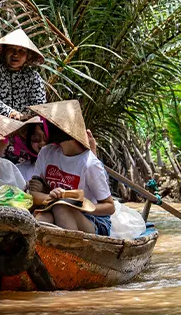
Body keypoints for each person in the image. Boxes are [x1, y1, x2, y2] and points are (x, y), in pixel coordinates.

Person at [26, 101, 115, 236]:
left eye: (47, 125)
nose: (44, 129)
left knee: (61, 208)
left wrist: (77, 205)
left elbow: (110, 207)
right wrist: (52, 197)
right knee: (43, 218)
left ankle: (73, 247)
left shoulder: (89, 164)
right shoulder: (46, 153)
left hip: (94, 220)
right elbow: (33, 194)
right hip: (54, 208)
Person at [0, 28, 46, 120]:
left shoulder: (33, 77)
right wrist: (11, 113)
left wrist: (27, 120)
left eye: (21, 51)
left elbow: (39, 106)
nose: (16, 54)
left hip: (24, 124)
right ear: (3, 51)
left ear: (27, 56)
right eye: (11, 49)